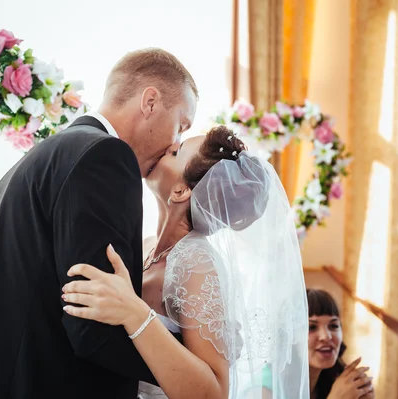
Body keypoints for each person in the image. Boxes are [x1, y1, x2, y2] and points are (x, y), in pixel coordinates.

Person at [0, 48, 198, 399]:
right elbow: (94, 328)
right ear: (150, 102)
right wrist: (192, 359)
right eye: (181, 125)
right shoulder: (105, 157)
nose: (176, 143)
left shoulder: (37, 158)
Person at [62, 126, 310, 398]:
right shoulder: (144, 246)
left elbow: (214, 393)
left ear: (181, 191)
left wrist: (134, 313)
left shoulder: (196, 262)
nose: (168, 146)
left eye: (177, 151)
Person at [243, 289, 374, 398]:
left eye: (333, 326)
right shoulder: (262, 391)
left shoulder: (334, 380)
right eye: (311, 327)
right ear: (290, 337)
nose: (326, 336)